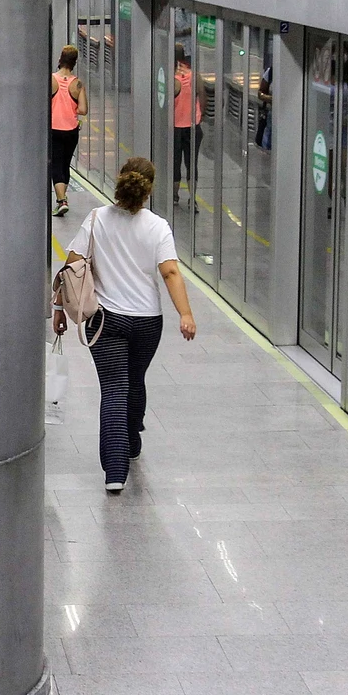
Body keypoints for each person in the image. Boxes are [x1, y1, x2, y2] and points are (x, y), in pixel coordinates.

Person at [53, 157, 197, 493]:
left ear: (120, 180)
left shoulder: (96, 219)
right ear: (150, 189)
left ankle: (115, 471)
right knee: (134, 380)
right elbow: (171, 272)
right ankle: (132, 439)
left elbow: (71, 266)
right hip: (148, 322)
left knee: (115, 389)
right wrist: (186, 314)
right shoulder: (158, 227)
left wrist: (59, 307)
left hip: (105, 321)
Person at [49, 44, 87, 218]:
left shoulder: (51, 80)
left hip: (54, 129)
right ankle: (63, 198)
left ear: (60, 59)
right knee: (65, 164)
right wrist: (70, 109)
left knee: (55, 164)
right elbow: (83, 109)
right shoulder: (77, 84)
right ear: (74, 63)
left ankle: (61, 201)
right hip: (71, 131)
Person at [172, 48, 203, 203]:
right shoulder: (194, 75)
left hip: (175, 126)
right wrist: (198, 117)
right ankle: (193, 197)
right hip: (193, 126)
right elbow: (203, 97)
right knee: (192, 163)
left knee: (175, 162)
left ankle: (175, 195)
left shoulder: (171, 78)